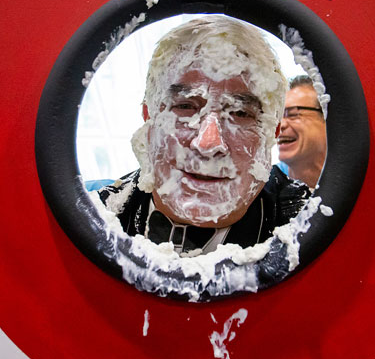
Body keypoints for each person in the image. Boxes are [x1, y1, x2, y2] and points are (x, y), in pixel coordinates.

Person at [96, 15, 310, 256]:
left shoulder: (310, 225)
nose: (208, 144)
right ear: (149, 118)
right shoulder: (94, 217)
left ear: (272, 132)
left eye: (240, 113)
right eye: (185, 106)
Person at [277, 75, 327, 188]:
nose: (281, 125)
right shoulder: (263, 192)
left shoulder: (361, 180)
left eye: (293, 114)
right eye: (278, 117)